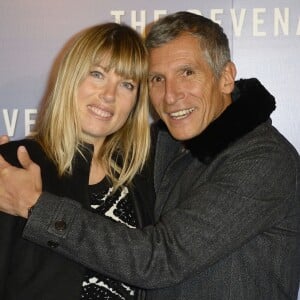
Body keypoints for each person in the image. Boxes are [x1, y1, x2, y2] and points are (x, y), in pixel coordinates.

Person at [0, 11, 300, 300]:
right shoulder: (14, 169)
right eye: (157, 79)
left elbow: (160, 260)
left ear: (225, 78)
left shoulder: (263, 160)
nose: (171, 95)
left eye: (187, 72)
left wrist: (35, 205)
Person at [0, 22, 152, 299]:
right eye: (97, 74)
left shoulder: (139, 181)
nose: (108, 95)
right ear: (71, 77)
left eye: (127, 84)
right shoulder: (13, 165)